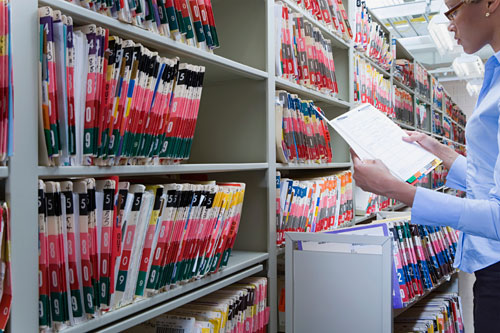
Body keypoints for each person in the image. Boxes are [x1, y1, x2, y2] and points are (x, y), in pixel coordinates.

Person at [350, 0, 500, 331]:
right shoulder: (495, 71)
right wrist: (441, 153)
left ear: (490, 4)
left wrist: (396, 189)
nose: (449, 25)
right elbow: (491, 178)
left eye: (453, 10)